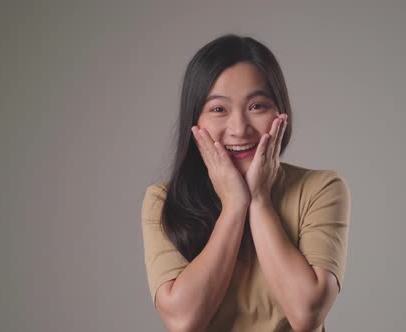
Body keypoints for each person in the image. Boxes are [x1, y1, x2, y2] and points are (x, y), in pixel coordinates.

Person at [141, 34, 351, 332]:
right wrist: (234, 207)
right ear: (195, 122)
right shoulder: (164, 200)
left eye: (256, 106)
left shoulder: (321, 188)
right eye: (218, 109)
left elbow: (306, 314)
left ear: (280, 114)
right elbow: (183, 320)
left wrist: (260, 201)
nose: (239, 129)